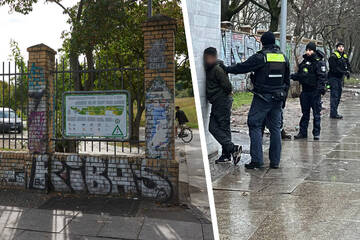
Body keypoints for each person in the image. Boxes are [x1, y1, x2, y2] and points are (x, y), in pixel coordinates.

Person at [221, 31, 290, 169]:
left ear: (263, 43)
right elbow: (287, 81)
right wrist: (283, 101)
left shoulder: (261, 57)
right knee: (276, 129)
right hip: (278, 98)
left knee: (255, 125)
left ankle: (257, 160)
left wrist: (227, 69)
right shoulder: (283, 57)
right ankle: (275, 162)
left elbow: (243, 67)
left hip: (262, 98)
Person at [203, 47, 242, 165]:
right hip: (218, 102)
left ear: (214, 57)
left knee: (214, 127)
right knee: (223, 128)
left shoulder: (217, 69)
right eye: (205, 58)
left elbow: (228, 86)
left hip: (222, 102)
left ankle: (231, 150)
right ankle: (228, 153)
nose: (207, 60)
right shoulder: (211, 68)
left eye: (209, 58)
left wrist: (220, 96)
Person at [291, 42, 327, 140]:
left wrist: (320, 89)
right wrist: (291, 76)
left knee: (316, 114)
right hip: (305, 92)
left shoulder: (319, 62)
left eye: (310, 50)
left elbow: (322, 77)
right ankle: (303, 132)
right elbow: (300, 75)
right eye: (307, 50)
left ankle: (316, 133)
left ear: (314, 51)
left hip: (315, 91)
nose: (308, 52)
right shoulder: (304, 62)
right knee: (305, 113)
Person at [328, 42, 351, 119]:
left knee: (338, 95)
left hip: (340, 78)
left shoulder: (344, 56)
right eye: (339, 47)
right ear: (337, 48)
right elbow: (334, 68)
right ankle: (333, 113)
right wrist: (344, 72)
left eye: (342, 47)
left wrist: (348, 72)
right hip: (333, 78)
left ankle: (335, 112)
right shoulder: (333, 56)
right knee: (334, 95)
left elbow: (348, 65)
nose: (341, 48)